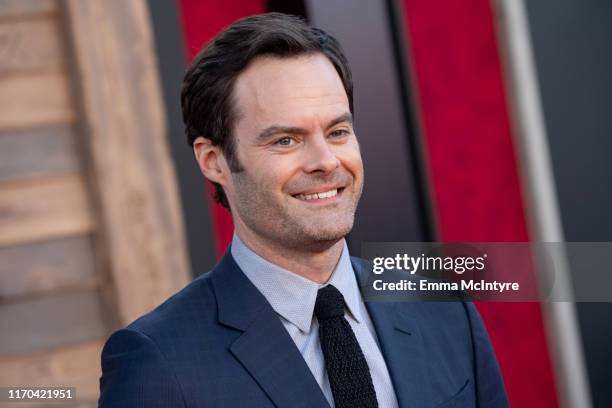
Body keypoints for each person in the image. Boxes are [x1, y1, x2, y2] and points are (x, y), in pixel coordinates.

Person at [98, 13, 508, 408]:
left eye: (338, 132)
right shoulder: (159, 363)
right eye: (285, 141)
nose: (326, 161)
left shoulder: (442, 306)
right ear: (213, 160)